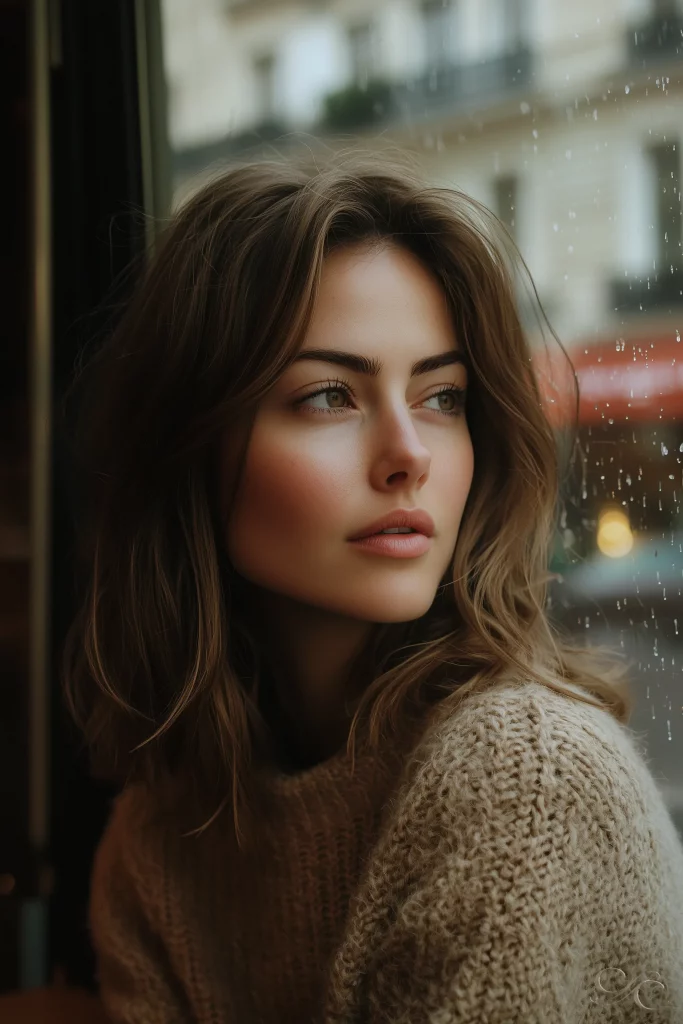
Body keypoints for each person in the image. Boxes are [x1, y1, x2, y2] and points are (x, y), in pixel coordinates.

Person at [61, 149, 683, 1024]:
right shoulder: (159, 837)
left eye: (442, 397)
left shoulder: (524, 772)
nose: (409, 455)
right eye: (327, 396)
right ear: (190, 451)